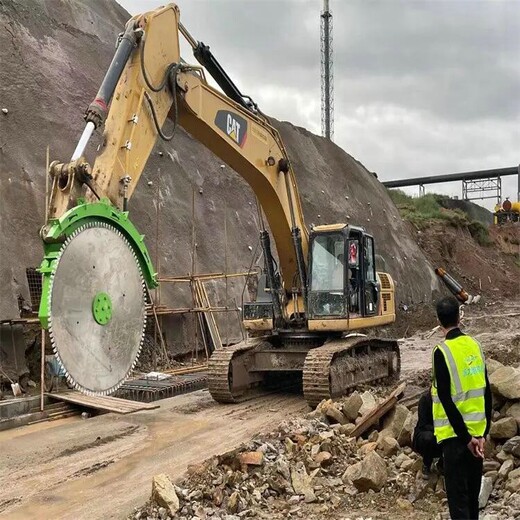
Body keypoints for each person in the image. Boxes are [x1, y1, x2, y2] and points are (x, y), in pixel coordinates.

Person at [431, 296, 492, 520]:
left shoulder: (442, 352)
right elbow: (487, 391)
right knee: (473, 503)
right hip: (477, 437)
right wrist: (483, 434)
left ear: (439, 322)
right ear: (459, 317)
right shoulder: (475, 346)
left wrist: (466, 438)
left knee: (459, 504)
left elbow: (446, 399)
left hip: (456, 438)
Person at [412, 390, 443, 477]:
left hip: (442, 431)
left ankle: (442, 464)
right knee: (429, 438)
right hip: (425, 433)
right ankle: (426, 464)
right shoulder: (425, 400)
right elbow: (423, 424)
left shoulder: (447, 399)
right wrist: (439, 430)